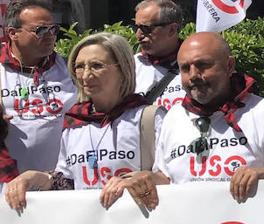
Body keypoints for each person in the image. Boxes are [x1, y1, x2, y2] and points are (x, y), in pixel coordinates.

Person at [115, 32, 264, 207]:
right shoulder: (173, 117)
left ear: (229, 66)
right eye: (185, 68)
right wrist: (143, 179)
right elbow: (167, 177)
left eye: (203, 65)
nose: (194, 75)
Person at [4, 33, 154, 210]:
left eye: (97, 66)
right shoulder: (74, 122)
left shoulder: (148, 117)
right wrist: (34, 178)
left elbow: (169, 177)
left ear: (123, 68)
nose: (86, 75)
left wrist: (141, 179)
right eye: (79, 67)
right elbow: (67, 182)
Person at [0, 0, 76, 173]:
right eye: (41, 30)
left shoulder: (71, 67)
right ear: (12, 33)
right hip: (8, 184)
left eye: (53, 29)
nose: (50, 36)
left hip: (61, 185)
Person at [132, 0, 186, 109]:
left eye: (146, 28)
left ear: (172, 29)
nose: (138, 35)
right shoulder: (130, 66)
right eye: (136, 27)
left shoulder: (194, 64)